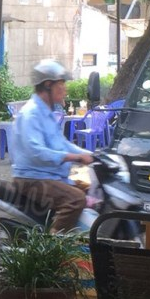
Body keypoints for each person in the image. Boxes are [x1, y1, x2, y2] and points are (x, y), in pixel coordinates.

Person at [10, 59, 94, 232]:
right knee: (76, 199)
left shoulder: (47, 113)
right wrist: (74, 157)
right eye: (61, 84)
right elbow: (35, 151)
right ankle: (55, 243)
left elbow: (63, 144)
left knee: (94, 190)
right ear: (48, 85)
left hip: (51, 177)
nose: (65, 89)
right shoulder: (31, 114)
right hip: (32, 179)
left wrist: (92, 154)